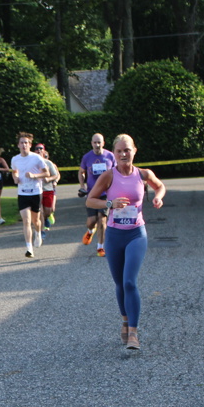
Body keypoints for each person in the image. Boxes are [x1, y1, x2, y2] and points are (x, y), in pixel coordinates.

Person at [86, 134, 166, 350]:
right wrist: (109, 203)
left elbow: (160, 186)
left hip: (136, 234)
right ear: (114, 153)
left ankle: (133, 333)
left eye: (127, 150)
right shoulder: (108, 176)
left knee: (130, 281)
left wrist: (158, 197)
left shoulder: (143, 174)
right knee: (120, 283)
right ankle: (124, 320)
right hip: (114, 235)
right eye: (119, 151)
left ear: (134, 151)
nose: (123, 154)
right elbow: (90, 200)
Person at [11, 132, 49, 258]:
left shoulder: (37, 158)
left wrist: (34, 175)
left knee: (35, 220)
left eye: (26, 143)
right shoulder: (15, 159)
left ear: (30, 145)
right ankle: (29, 248)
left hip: (35, 192)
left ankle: (38, 233)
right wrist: (15, 177)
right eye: (21, 143)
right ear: (18, 145)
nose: (24, 145)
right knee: (26, 220)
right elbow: (14, 171)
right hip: (22, 193)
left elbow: (46, 173)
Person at [79, 133, 116, 257]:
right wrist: (82, 186)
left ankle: (100, 247)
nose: (97, 145)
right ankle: (90, 230)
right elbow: (81, 172)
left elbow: (116, 172)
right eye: (95, 142)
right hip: (92, 193)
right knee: (92, 221)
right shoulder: (87, 157)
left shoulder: (110, 156)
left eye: (99, 142)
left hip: (106, 193)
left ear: (103, 143)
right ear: (91, 143)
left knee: (102, 219)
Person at [36, 144, 60, 233]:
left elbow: (56, 175)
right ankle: (41, 231)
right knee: (40, 211)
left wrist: (50, 179)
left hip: (48, 189)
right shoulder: (32, 163)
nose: (39, 150)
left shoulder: (49, 163)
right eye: (37, 149)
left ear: (44, 151)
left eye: (41, 149)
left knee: (49, 211)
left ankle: (46, 218)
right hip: (37, 190)